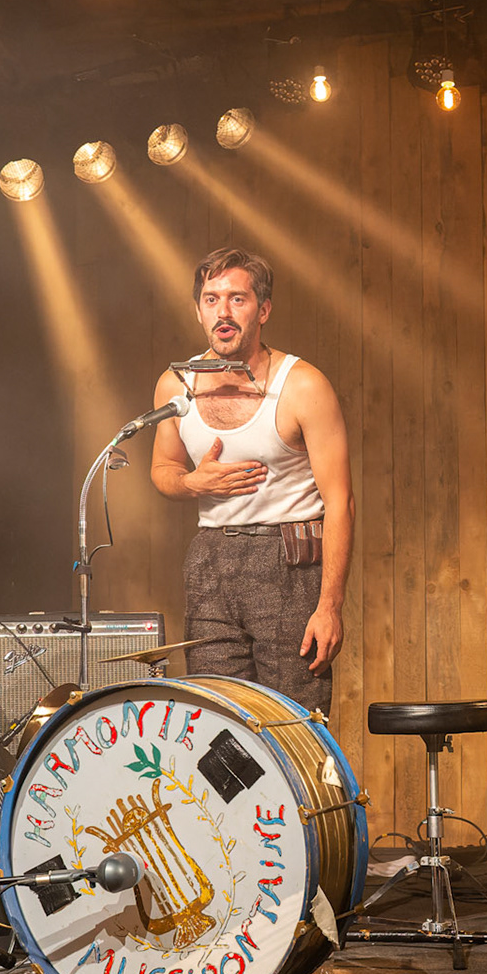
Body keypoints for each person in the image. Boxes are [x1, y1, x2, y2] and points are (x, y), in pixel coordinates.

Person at [149, 248, 353, 716]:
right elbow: (164, 470)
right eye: (211, 299)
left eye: (237, 299)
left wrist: (329, 607)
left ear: (263, 310)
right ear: (198, 310)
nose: (223, 311)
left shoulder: (302, 385)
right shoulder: (174, 385)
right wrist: (194, 483)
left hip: (286, 562)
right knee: (217, 720)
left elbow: (340, 502)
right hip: (210, 561)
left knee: (294, 722)